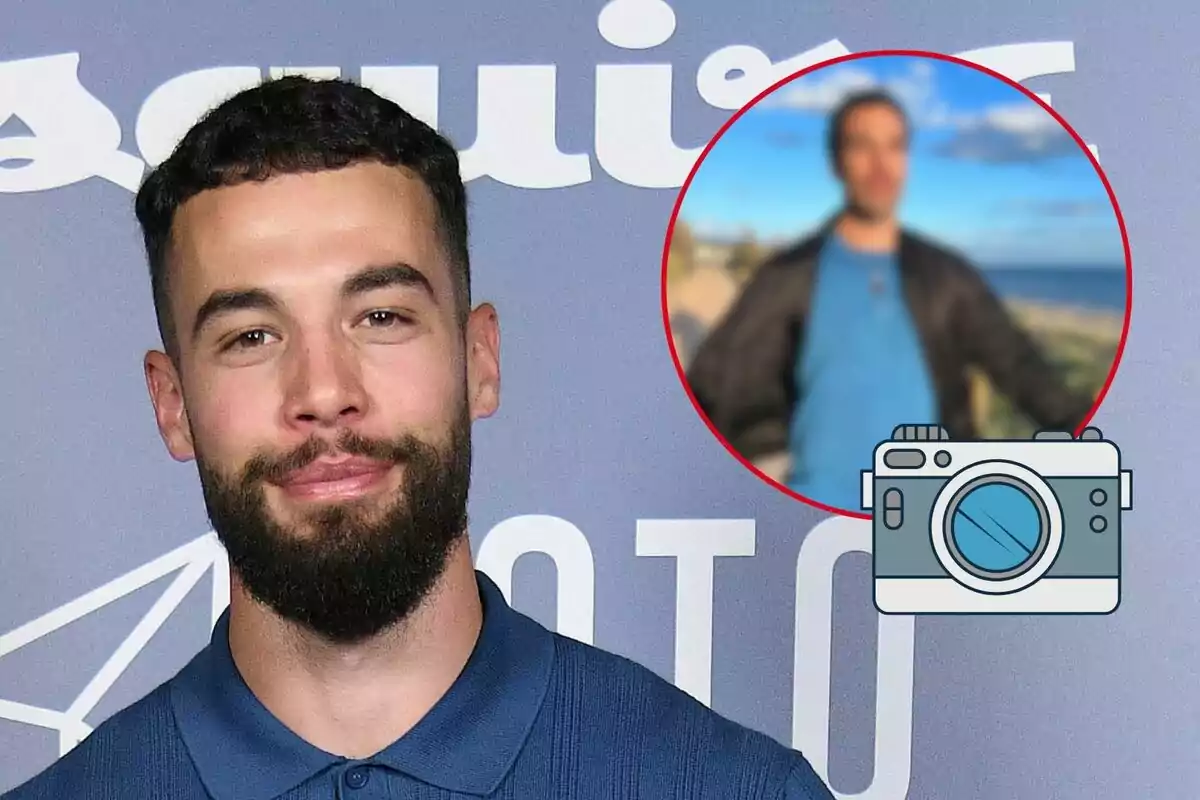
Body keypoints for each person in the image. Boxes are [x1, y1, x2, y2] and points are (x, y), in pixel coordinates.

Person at [2, 76, 834, 800]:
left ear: (479, 361)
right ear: (173, 402)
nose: (324, 392)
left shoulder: (730, 789)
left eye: (381, 316)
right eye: (250, 335)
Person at [686, 88, 1093, 511]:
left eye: (894, 146)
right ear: (836, 161)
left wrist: (1093, 433)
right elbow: (711, 383)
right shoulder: (788, 276)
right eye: (863, 146)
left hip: (936, 518)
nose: (881, 166)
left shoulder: (946, 276)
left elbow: (1022, 369)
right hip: (809, 518)